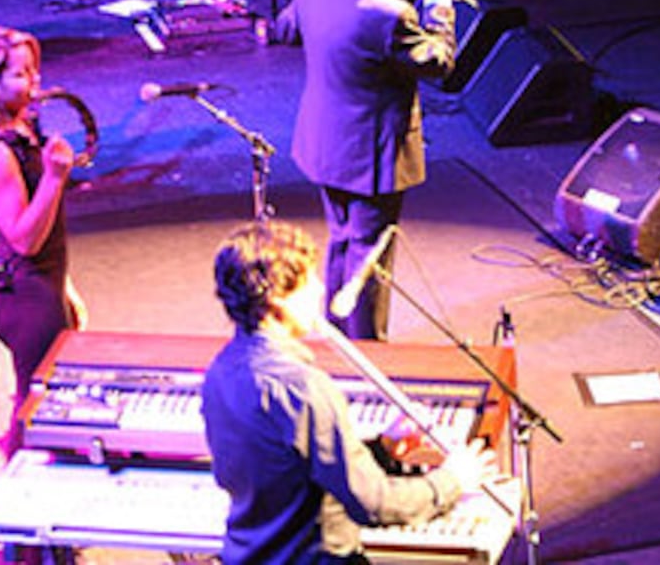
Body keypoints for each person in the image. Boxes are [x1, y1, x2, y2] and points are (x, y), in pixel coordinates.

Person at [201, 220, 496, 564]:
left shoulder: (219, 372)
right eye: (308, 280)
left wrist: (382, 449)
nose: (320, 289)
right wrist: (452, 480)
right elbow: (373, 504)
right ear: (277, 299)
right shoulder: (304, 389)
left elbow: (289, 472)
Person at [274, 0, 457, 341]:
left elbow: (286, 30)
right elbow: (439, 63)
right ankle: (370, 352)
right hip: (371, 155)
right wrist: (439, 6)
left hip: (324, 143)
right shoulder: (390, 13)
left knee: (341, 240)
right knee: (369, 255)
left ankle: (337, 338)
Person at [0, 26, 88, 451]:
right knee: (34, 408)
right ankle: (13, 494)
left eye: (34, 70)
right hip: (25, 297)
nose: (35, 83)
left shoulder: (21, 129)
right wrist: (54, 177)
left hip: (41, 285)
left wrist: (64, 287)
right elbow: (24, 238)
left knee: (45, 392)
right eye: (21, 74)